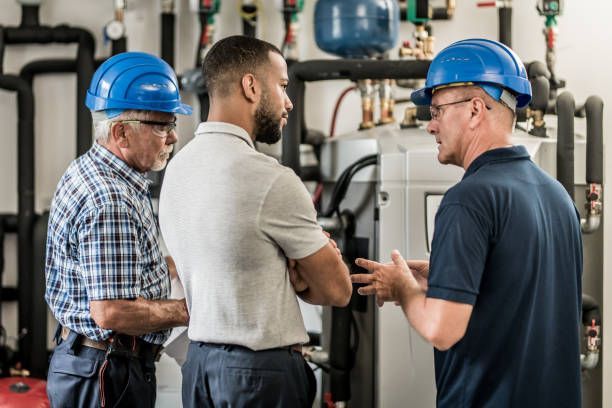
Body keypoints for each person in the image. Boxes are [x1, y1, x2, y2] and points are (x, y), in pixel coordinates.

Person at [351, 38, 582, 407]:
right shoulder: (557, 197)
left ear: (475, 109)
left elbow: (441, 330)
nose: (431, 125)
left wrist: (404, 289)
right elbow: (518, 292)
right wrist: (440, 274)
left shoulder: (468, 199)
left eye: (437, 110)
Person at [158, 35, 352, 408]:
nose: (288, 102)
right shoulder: (268, 178)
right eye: (281, 87)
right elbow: (337, 290)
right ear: (251, 86)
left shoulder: (177, 169)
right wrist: (298, 272)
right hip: (259, 374)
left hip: (198, 369)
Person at [45, 51, 191, 408]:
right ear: (122, 132)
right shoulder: (110, 199)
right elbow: (113, 312)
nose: (172, 137)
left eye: (172, 124)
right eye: (161, 125)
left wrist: (183, 265)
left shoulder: (97, 170)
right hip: (108, 373)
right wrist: (194, 310)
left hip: (93, 364)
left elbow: (121, 264)